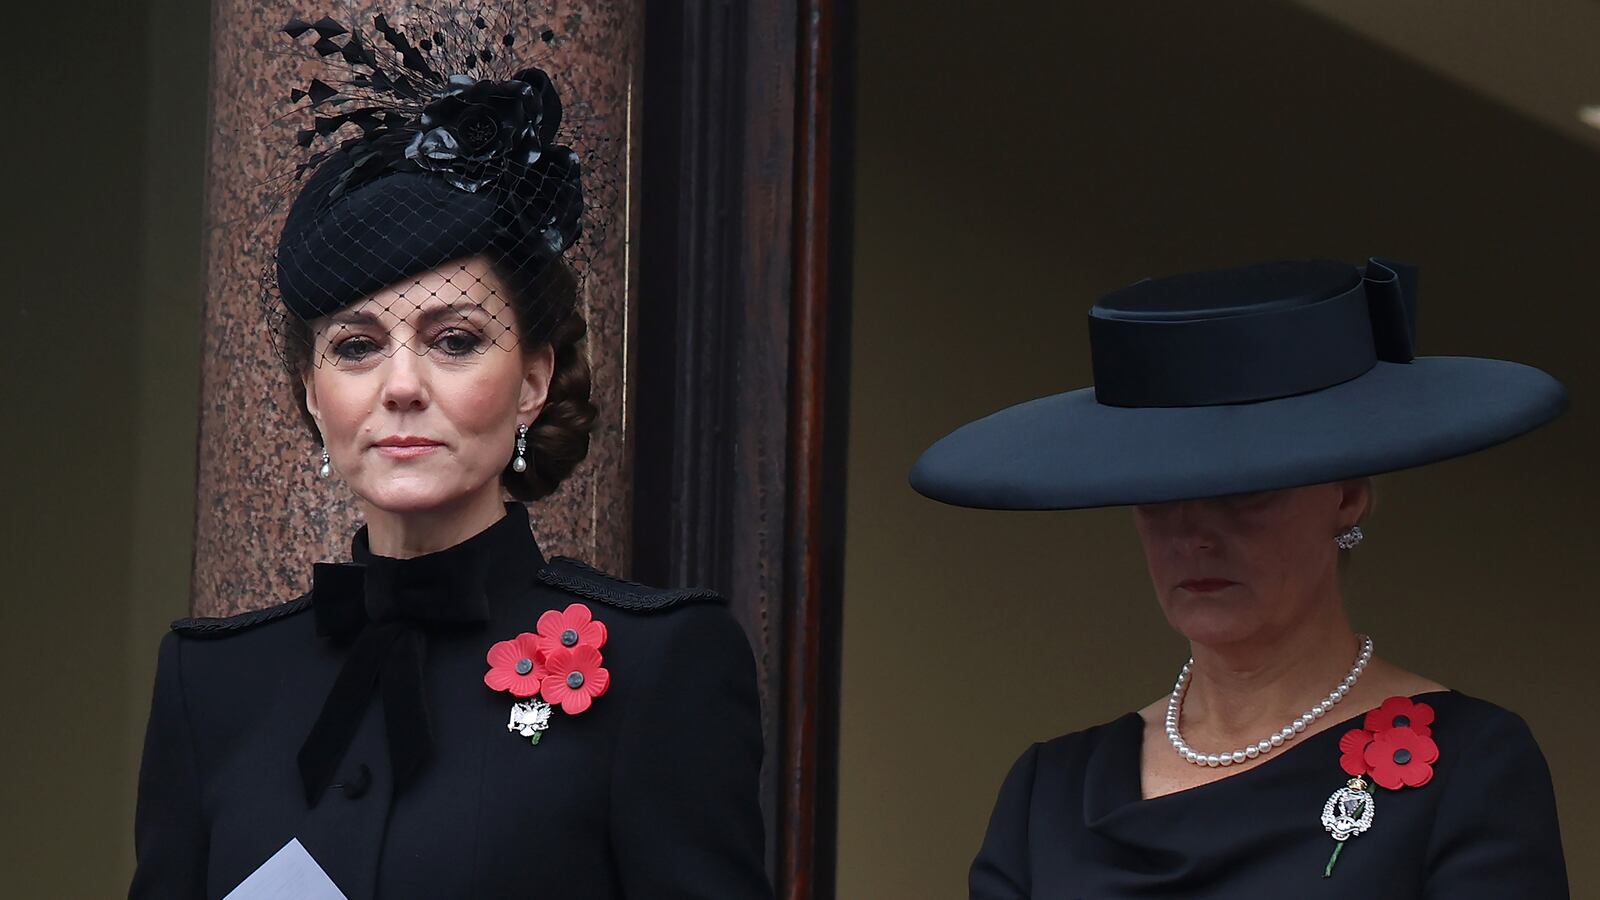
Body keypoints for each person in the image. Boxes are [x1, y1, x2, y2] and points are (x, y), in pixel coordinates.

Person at [129, 11, 770, 899]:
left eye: (455, 340)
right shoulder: (214, 683)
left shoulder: (660, 665)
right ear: (314, 394)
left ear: (534, 380)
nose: (401, 385)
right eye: (356, 346)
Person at [911, 259, 1570, 898]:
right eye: (1159, 495)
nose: (1194, 534)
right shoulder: (1049, 793)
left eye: (1244, 492)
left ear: (1345, 495)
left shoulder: (1468, 767)